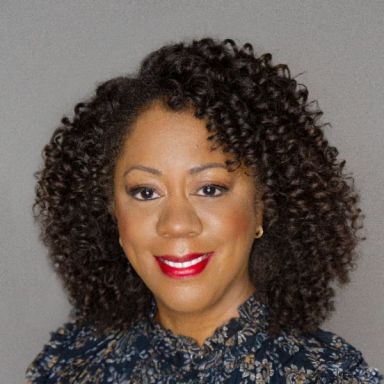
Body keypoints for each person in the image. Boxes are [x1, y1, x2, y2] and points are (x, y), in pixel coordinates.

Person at [25, 38, 382, 383]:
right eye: (146, 192)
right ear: (111, 209)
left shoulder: (331, 377)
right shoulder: (68, 368)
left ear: (263, 205)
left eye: (210, 189)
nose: (177, 224)